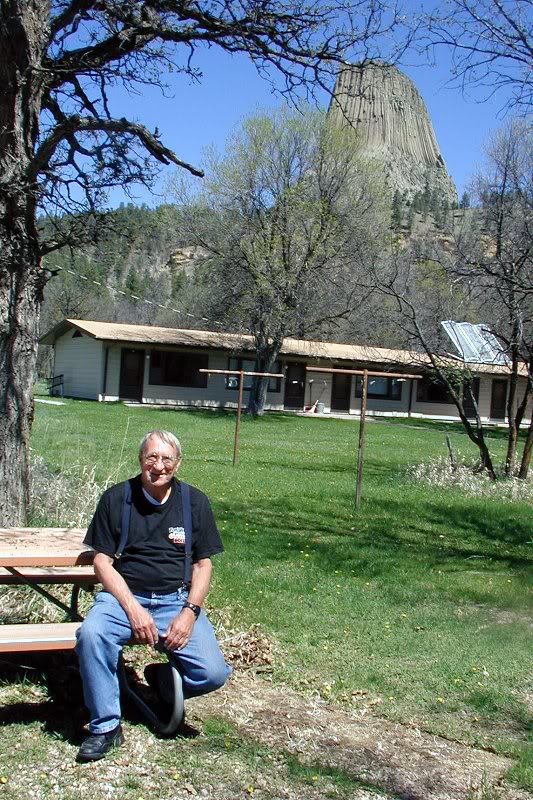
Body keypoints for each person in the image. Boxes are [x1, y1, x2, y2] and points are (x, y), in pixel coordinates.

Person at [75, 430, 231, 763]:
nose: (158, 466)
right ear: (140, 460)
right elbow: (102, 562)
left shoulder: (194, 502)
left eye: (166, 459)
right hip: (123, 599)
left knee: (214, 673)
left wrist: (189, 613)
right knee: (91, 634)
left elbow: (203, 566)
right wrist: (132, 608)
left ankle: (163, 680)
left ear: (178, 463)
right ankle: (105, 727)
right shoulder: (117, 499)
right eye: (151, 458)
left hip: (176, 600)